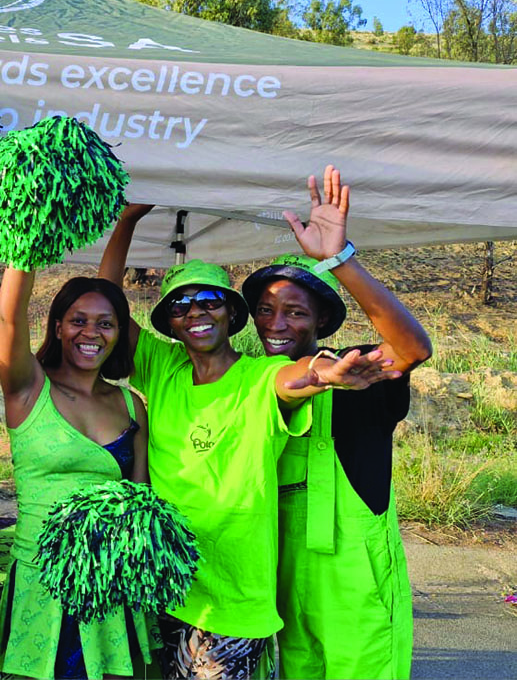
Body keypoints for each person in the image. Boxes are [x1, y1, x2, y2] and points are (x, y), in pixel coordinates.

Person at [100, 205, 400, 680]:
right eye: (180, 306)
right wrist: (127, 223)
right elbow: (107, 302)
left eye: (210, 301)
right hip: (168, 583)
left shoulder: (259, 378)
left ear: (233, 313)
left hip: (235, 598)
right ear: (169, 323)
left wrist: (328, 372)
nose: (195, 313)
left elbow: (298, 376)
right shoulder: (162, 369)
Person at [241, 166, 430, 680]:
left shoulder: (355, 370)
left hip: (356, 579)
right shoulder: (258, 382)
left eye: (295, 312)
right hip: (283, 574)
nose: (277, 324)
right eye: (265, 310)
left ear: (322, 321)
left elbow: (413, 349)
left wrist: (339, 261)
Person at [0, 263, 152, 680]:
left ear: (119, 333)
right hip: (41, 583)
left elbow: (142, 499)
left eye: (106, 324)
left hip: (110, 586)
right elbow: (9, 317)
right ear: (58, 326)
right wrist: (22, 248)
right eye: (78, 321)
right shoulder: (29, 386)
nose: (91, 333)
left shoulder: (131, 404)